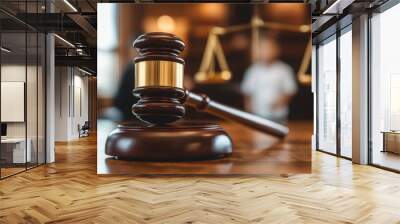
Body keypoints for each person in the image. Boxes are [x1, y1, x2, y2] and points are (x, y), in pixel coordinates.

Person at [241, 35, 297, 124]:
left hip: (278, 116)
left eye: (268, 48)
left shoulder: (284, 69)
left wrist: (280, 102)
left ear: (276, 50)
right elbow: (247, 92)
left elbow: (290, 90)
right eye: (263, 49)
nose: (266, 52)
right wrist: (248, 111)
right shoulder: (253, 70)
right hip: (257, 114)